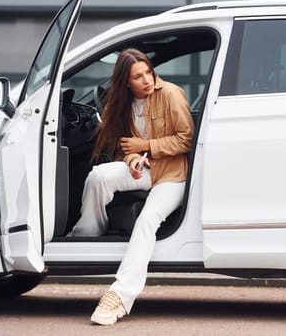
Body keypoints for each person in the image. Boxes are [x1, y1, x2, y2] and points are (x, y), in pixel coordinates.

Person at [71, 48, 195, 325]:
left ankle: (120, 295)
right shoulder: (123, 106)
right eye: (138, 77)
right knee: (98, 176)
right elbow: (123, 147)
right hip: (145, 171)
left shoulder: (171, 93)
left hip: (173, 174)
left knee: (147, 219)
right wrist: (132, 159)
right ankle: (88, 233)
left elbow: (186, 139)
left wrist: (146, 146)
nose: (147, 80)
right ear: (126, 82)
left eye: (148, 72)